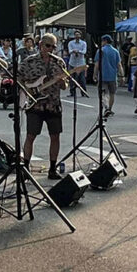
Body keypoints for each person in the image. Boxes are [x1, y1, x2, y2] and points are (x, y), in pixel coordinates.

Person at [20, 33, 68, 180]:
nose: (51, 49)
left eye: (53, 47)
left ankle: (53, 168)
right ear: (40, 45)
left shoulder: (59, 63)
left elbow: (65, 85)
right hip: (36, 105)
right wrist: (28, 90)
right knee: (31, 136)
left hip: (53, 105)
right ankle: (25, 168)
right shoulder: (29, 61)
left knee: (55, 136)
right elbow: (18, 77)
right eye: (48, 46)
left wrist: (61, 82)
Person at [94, 34, 124, 118]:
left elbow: (97, 64)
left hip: (103, 76)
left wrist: (95, 74)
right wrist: (122, 76)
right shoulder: (115, 51)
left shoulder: (100, 51)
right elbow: (119, 65)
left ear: (105, 41)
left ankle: (106, 107)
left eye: (102, 41)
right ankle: (110, 109)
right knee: (112, 94)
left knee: (103, 94)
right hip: (113, 76)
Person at [67, 30, 88, 98]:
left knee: (82, 79)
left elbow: (84, 51)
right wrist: (73, 51)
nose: (77, 36)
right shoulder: (71, 43)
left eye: (78, 35)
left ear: (80, 36)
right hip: (72, 62)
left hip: (81, 63)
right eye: (76, 35)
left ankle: (83, 92)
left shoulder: (83, 43)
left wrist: (77, 51)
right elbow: (70, 51)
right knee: (71, 78)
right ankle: (72, 92)